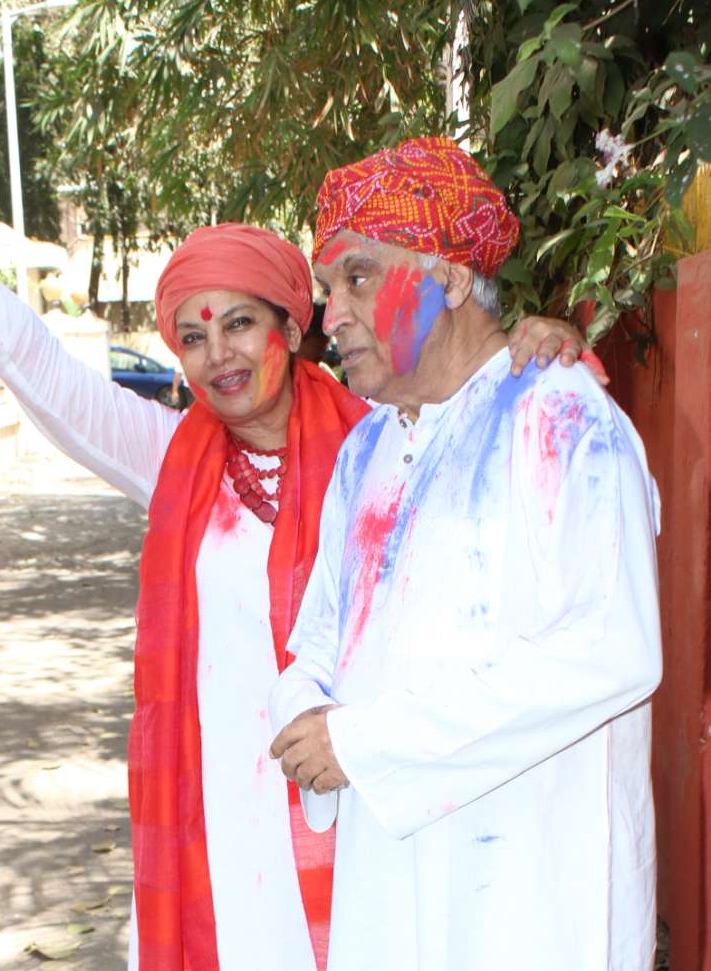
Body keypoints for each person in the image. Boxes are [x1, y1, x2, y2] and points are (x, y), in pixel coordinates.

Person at [0, 86, 592, 971]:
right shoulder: (173, 460)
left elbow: (476, 391)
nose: (216, 353)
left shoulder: (381, 436)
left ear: (290, 326)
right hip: (221, 809)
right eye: (191, 337)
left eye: (238, 324)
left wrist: (532, 341)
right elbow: (45, 376)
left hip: (376, 800)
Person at [269, 136, 662, 971]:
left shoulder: (562, 418)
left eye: (357, 277)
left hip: (531, 886)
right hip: (391, 869)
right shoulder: (365, 449)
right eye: (325, 288)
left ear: (447, 276)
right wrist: (304, 715)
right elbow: (318, 637)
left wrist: (370, 743)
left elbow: (613, 651)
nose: (328, 314)